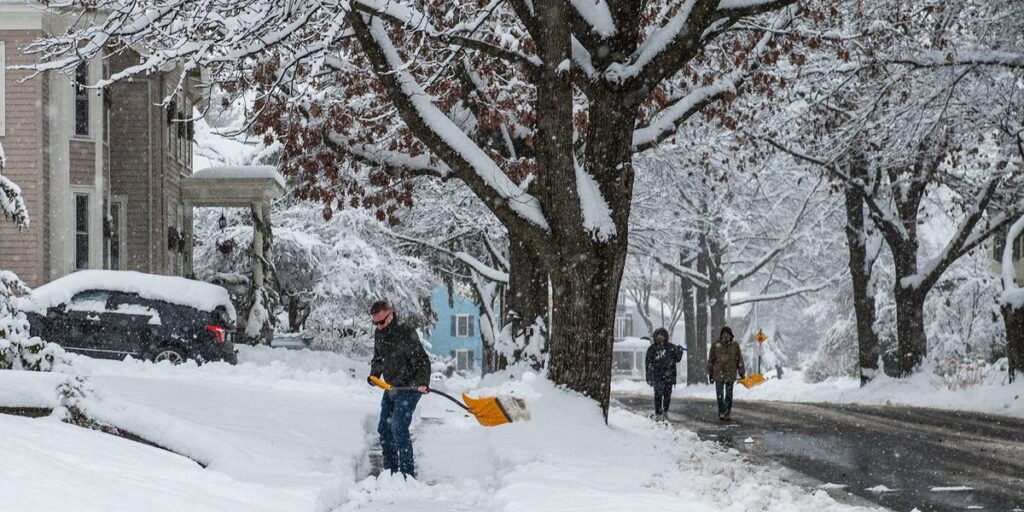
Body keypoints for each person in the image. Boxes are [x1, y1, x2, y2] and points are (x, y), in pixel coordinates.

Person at [367, 300, 431, 478]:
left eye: (381, 321)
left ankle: (406, 475)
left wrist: (422, 382)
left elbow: (423, 361)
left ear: (391, 314)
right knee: (384, 429)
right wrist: (374, 375)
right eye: (375, 322)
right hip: (391, 387)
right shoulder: (379, 335)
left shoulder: (405, 333)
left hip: (410, 387)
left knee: (398, 427)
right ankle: (391, 472)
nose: (378, 326)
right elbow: (378, 359)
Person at [707, 326, 744, 422]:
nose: (726, 335)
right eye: (724, 333)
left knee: (729, 395)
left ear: (731, 335)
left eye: (728, 333)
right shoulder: (716, 345)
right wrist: (710, 374)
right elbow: (711, 360)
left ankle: (727, 413)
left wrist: (741, 372)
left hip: (730, 374)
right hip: (718, 373)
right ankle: (721, 412)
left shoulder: (735, 345)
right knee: (719, 394)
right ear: (721, 335)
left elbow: (739, 359)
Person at [645, 327, 684, 421]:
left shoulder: (671, 348)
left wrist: (679, 351)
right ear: (655, 336)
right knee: (658, 395)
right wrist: (649, 376)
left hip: (669, 376)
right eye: (659, 335)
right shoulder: (652, 349)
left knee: (667, 395)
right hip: (657, 376)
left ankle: (665, 411)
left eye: (663, 335)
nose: (661, 337)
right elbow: (648, 363)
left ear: (665, 337)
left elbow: (677, 359)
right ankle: (658, 414)